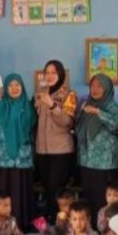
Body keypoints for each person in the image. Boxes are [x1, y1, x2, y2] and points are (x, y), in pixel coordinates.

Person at [0, 72, 37, 228]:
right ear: (6, 87)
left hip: (21, 158)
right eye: (10, 85)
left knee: (19, 193)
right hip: (1, 157)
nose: (14, 88)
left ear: (22, 87)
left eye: (17, 85)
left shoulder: (28, 106)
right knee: (1, 193)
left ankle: (19, 225)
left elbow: (32, 129)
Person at [33, 60, 78, 217]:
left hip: (61, 151)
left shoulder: (69, 95)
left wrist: (52, 105)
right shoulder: (40, 94)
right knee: (46, 190)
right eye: (47, 72)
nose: (50, 76)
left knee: (56, 191)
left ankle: (58, 223)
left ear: (61, 74)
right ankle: (48, 223)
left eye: (54, 72)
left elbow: (67, 122)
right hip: (42, 150)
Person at [76, 74, 118, 210]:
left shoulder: (112, 106)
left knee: (103, 199)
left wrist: (98, 112)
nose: (95, 89)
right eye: (92, 86)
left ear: (107, 88)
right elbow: (78, 127)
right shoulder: (86, 104)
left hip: (105, 163)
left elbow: (115, 125)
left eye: (99, 86)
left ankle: (104, 222)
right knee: (88, 198)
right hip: (87, 161)